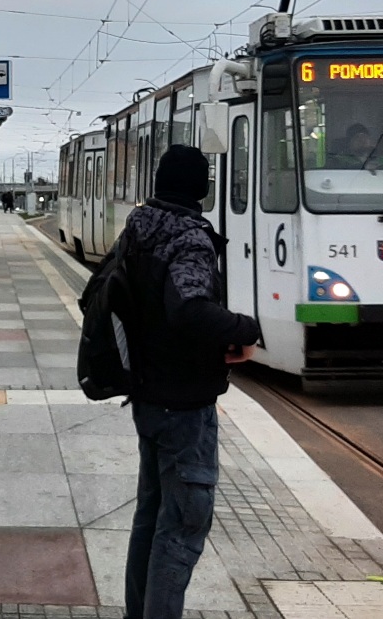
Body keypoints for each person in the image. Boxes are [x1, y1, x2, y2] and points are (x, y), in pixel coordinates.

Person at [118, 145, 261, 619]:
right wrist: (244, 328)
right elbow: (189, 308)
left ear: (160, 183)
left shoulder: (139, 229)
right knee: (181, 529)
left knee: (151, 519)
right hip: (182, 404)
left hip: (148, 395)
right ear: (202, 188)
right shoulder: (188, 238)